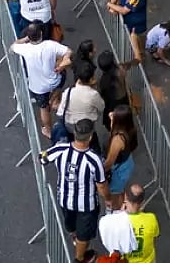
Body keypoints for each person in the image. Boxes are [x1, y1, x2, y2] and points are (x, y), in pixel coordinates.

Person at [42, 119, 109, 263]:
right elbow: (101, 185)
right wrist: (108, 199)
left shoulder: (60, 149)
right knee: (84, 234)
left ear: (75, 133)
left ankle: (75, 238)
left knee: (71, 225)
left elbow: (42, 158)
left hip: (64, 200)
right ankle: (79, 259)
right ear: (90, 137)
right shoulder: (94, 160)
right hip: (87, 205)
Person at [12, 21, 72, 138]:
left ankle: (48, 131)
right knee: (61, 77)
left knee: (43, 109)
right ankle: (55, 101)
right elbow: (69, 51)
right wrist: (61, 65)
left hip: (37, 87)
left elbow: (13, 46)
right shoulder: (50, 45)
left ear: (29, 36)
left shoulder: (25, 49)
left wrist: (24, 39)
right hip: (55, 81)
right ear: (41, 33)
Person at [56, 61, 106, 154]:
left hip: (70, 126)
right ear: (91, 79)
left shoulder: (68, 92)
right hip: (87, 127)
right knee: (94, 148)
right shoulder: (93, 94)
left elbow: (60, 112)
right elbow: (101, 107)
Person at [103, 104, 138, 210]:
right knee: (120, 189)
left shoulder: (118, 140)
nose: (111, 115)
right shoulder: (129, 129)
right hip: (127, 163)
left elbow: (109, 162)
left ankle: (115, 210)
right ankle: (123, 202)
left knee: (114, 193)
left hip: (119, 169)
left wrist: (100, 172)